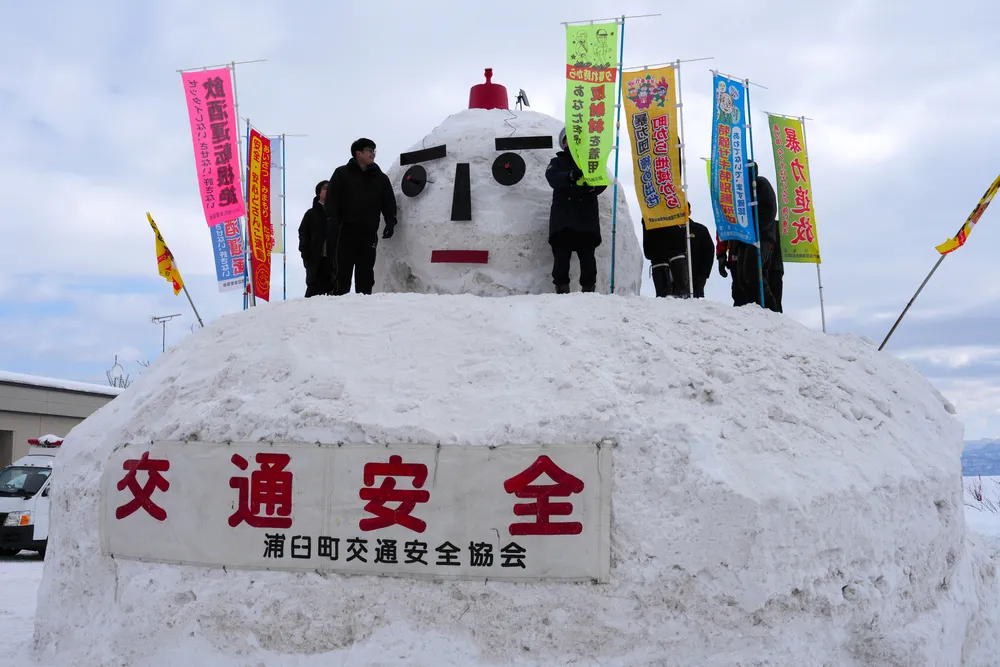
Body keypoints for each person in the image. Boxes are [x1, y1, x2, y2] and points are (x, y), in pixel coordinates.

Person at [324, 138, 398, 295]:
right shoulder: (341, 174)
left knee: (365, 272)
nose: (373, 154)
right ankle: (338, 303)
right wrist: (333, 222)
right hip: (345, 230)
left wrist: (390, 222)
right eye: (369, 150)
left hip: (369, 231)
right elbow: (332, 200)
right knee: (342, 270)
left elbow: (388, 202)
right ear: (358, 153)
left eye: (374, 151)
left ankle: (364, 305)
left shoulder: (381, 178)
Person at [545, 128, 605, 293]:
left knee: (587, 257)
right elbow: (552, 178)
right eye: (568, 139)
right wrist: (570, 176)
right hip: (563, 218)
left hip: (585, 218)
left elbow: (601, 181)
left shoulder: (592, 160)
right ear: (563, 143)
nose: (571, 142)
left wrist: (591, 187)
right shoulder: (557, 162)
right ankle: (561, 287)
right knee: (561, 256)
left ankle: (588, 288)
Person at [735, 162, 782, 312]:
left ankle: (770, 307)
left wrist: (758, 230)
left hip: (761, 236)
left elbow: (770, 210)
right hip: (744, 239)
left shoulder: (761, 183)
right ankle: (754, 306)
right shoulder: (740, 190)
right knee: (742, 278)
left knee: (753, 271)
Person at [298, 180, 332, 297]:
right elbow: (303, 232)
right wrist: (304, 251)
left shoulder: (335, 213)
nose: (328, 190)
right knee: (313, 290)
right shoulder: (311, 214)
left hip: (332, 258)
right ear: (319, 192)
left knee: (333, 291)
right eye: (325, 188)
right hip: (314, 258)